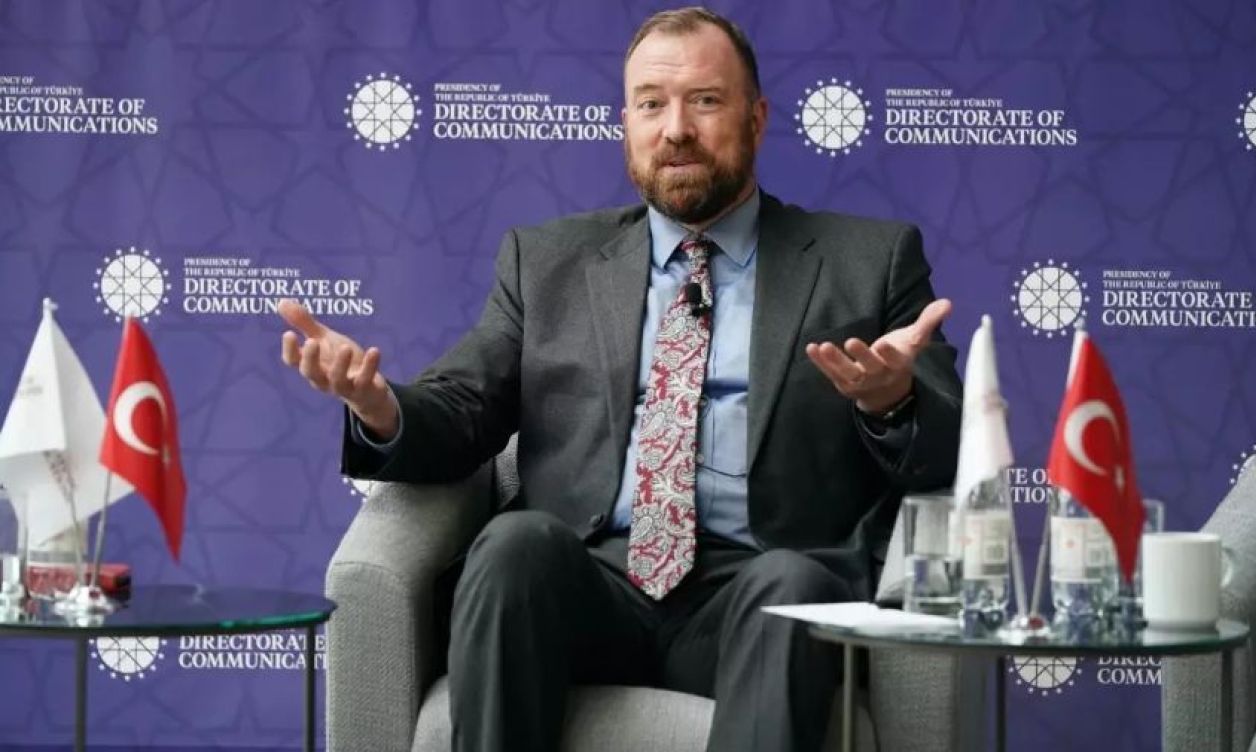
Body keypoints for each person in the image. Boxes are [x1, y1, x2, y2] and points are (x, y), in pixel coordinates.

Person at [279, 7, 961, 751]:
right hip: (588, 590)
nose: (676, 129)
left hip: (758, 590)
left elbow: (950, 448)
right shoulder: (546, 262)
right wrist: (380, 407)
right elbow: (463, 406)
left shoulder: (867, 261)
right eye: (651, 104)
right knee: (513, 547)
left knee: (791, 589)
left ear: (757, 118)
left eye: (705, 100)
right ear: (626, 124)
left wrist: (891, 402)